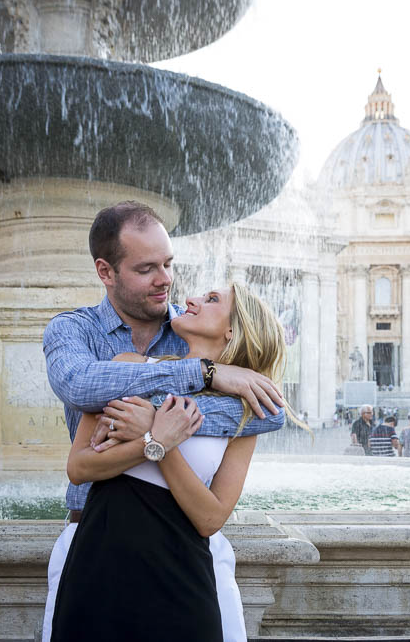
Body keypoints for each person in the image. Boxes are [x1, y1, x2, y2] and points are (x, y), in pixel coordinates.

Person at [41, 202, 288, 642]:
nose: (168, 281)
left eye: (169, 264)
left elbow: (268, 415)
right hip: (93, 536)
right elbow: (82, 386)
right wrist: (204, 376)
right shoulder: (75, 332)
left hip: (185, 556)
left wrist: (155, 425)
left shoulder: (188, 326)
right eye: (147, 268)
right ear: (106, 271)